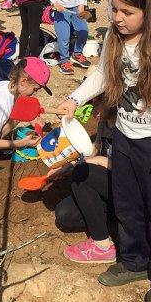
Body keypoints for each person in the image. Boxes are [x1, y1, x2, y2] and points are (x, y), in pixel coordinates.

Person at [56, 0, 151, 302]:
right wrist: (75, 98)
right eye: (114, 10)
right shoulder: (115, 41)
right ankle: (133, 261)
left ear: (148, 11)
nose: (118, 18)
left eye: (127, 12)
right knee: (128, 205)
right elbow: (101, 74)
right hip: (127, 138)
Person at [52, 104, 117, 263]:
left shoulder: (127, 127)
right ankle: (115, 218)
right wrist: (67, 165)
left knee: (82, 172)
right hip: (106, 187)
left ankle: (102, 245)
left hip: (124, 186)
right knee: (65, 215)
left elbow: (130, 167)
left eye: (97, 103)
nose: (93, 109)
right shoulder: (104, 122)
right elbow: (95, 148)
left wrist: (96, 161)